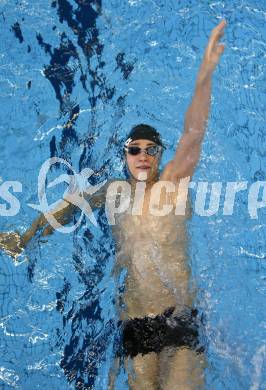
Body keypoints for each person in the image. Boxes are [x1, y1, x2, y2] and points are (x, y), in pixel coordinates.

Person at [0, 20, 227, 389]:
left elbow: (193, 133)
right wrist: (24, 238)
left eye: (150, 150)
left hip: (179, 316)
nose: (142, 155)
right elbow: (65, 208)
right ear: (125, 155)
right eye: (134, 149)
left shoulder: (172, 185)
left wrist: (206, 70)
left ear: (159, 155)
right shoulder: (112, 191)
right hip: (134, 321)